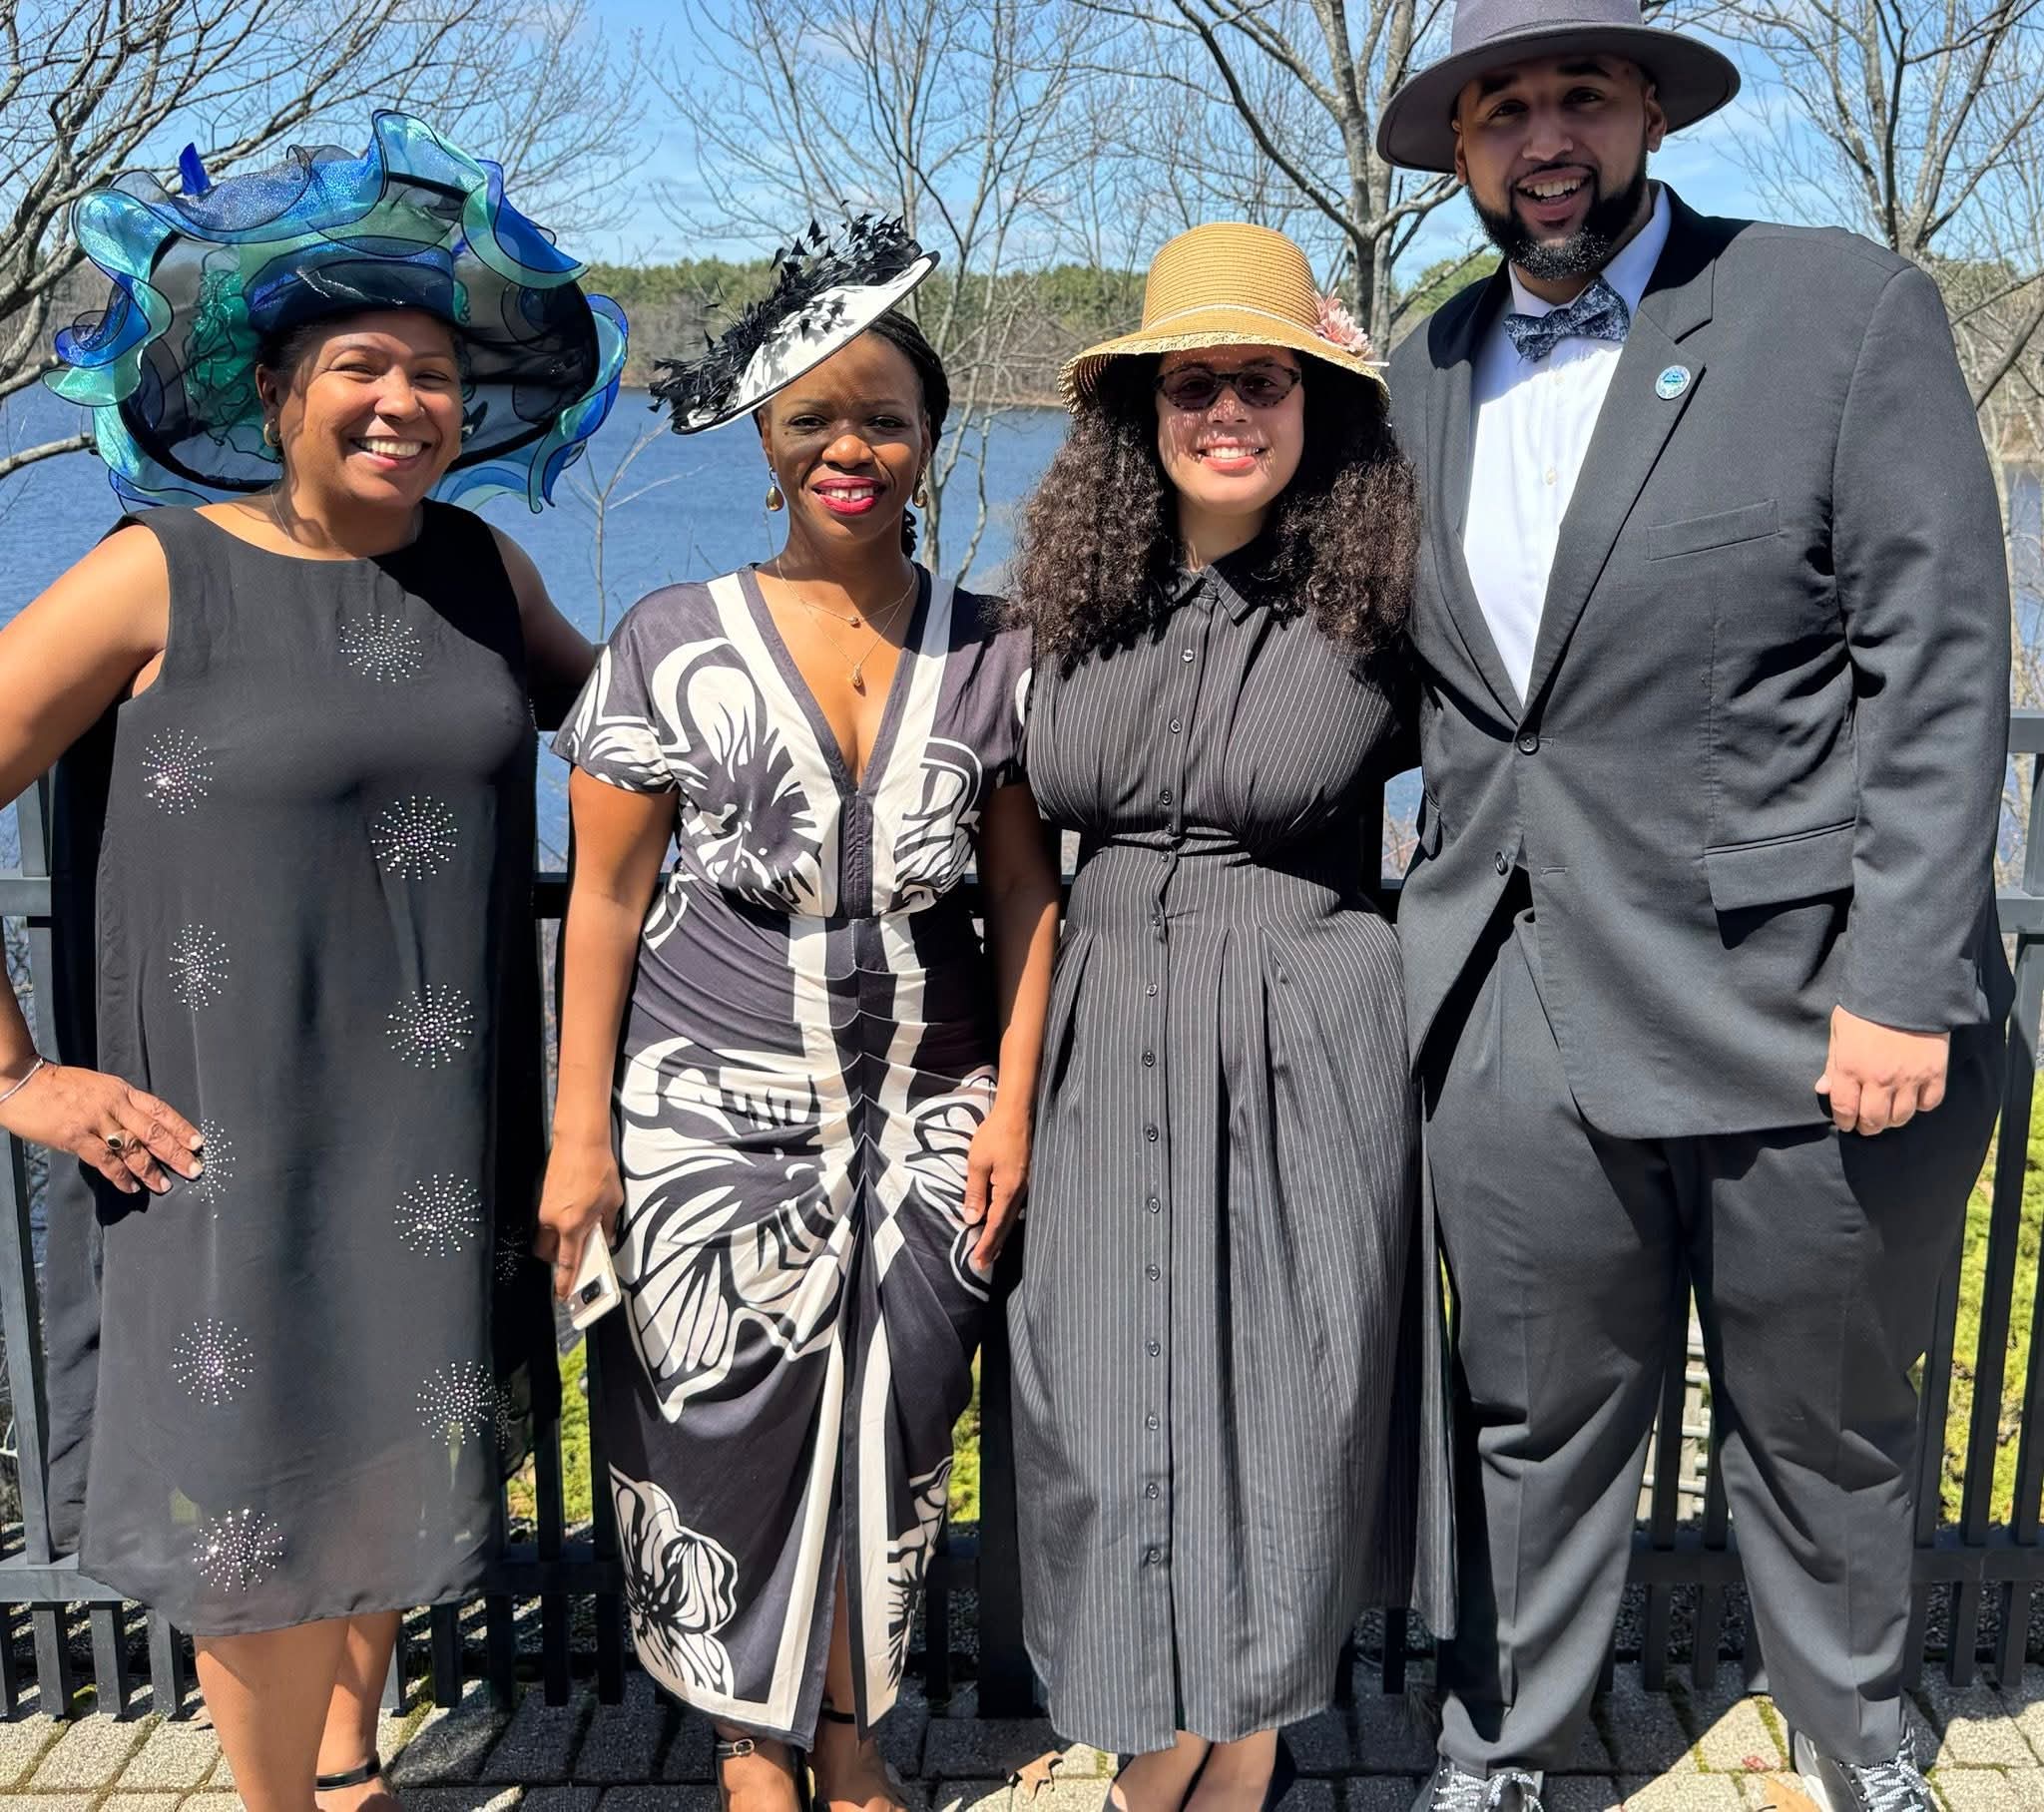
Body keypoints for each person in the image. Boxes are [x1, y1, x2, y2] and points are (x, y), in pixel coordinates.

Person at [1375, 3, 2013, 1807]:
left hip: (1801, 1010)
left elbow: (1940, 663)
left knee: (1822, 1425)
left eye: (1582, 93)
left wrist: (1902, 980)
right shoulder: (1419, 374)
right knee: (1531, 1421)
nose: (1546, 135)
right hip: (1513, 1007)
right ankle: (1505, 1744)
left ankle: (1858, 1725)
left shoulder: (1833, 310)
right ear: (1466, 152)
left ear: (1649, 111)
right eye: (1505, 110)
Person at [4, 112, 624, 1812]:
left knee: (381, 1485)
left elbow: (644, 736)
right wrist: (16, 1079)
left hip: (429, 1144)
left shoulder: (482, 573)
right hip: (219, 1145)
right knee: (252, 1533)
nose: (404, 400)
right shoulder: (155, 577)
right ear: (276, 396)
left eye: (433, 371)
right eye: (363, 364)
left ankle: (351, 1768)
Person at [536, 219, 1060, 1812]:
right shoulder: (669, 642)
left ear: (929, 440)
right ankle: (751, 1752)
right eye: (813, 419)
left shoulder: (997, 652)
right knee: (723, 1418)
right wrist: (579, 1140)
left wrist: (1021, 1104)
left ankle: (849, 1738)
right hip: (708, 1094)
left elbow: (1030, 899)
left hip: (934, 1094)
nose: (852, 445)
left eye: (885, 417)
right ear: (765, 448)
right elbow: (608, 901)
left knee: (897, 1426)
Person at [1007, 222, 1449, 1812]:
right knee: (1106, 1418)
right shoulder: (1068, 601)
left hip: (1303, 1042)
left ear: (1315, 400)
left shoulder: (1386, 596)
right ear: (1144, 408)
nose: (1228, 411)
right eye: (1192, 382)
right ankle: (1156, 1745)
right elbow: (1001, 838)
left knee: (1285, 1414)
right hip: (1101, 1034)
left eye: (1265, 379)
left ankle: (1229, 1765)